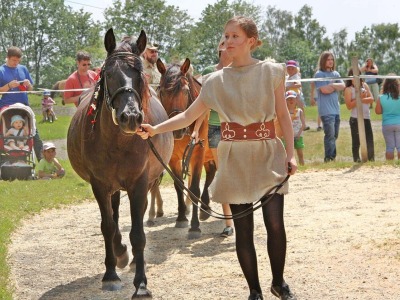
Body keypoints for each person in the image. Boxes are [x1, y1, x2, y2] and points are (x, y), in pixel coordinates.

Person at [138, 16, 297, 300]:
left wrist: (291, 154)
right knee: (243, 230)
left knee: (275, 224)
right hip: (233, 155)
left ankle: (278, 283)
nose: (228, 42)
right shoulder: (214, 82)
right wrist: (155, 129)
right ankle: (254, 291)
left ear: (251, 40)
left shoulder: (271, 72)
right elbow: (187, 116)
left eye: (235, 36)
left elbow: (283, 114)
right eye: (226, 37)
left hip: (267, 152)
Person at [200, 36, 234, 237]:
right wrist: (196, 130)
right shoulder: (209, 73)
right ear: (219, 49)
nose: (227, 48)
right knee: (223, 174)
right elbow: (203, 104)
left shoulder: (241, 71)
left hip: (237, 128)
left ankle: (241, 217)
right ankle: (229, 222)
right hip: (215, 127)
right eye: (223, 45)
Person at [0, 46, 43, 160]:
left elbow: (30, 89)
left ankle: (43, 161)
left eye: (18, 61)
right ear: (8, 58)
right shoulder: (1, 70)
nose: (16, 63)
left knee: (33, 133)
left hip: (24, 106)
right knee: (2, 133)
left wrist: (28, 84)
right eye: (14, 60)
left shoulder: (23, 69)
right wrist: (9, 86)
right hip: (6, 106)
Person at [314, 51, 345, 162]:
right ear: (323, 61)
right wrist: (333, 87)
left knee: (335, 135)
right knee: (330, 135)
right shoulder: (319, 74)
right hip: (326, 111)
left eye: (332, 59)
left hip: (336, 110)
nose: (331, 61)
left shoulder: (336, 74)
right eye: (328, 59)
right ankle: (329, 158)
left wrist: (331, 85)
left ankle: (332, 157)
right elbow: (324, 90)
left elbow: (343, 86)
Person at [344, 68, 375, 162]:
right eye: (354, 76)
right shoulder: (348, 89)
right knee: (356, 141)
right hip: (355, 118)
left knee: (369, 140)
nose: (356, 78)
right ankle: (356, 159)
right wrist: (360, 97)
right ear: (350, 78)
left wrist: (360, 99)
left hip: (366, 117)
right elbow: (349, 106)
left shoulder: (365, 85)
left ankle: (371, 159)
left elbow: (371, 99)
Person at [375, 75, 400, 160]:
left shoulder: (381, 97)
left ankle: (389, 167)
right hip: (399, 123)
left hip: (387, 124)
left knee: (389, 147)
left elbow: (378, 111)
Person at [285, 60, 309, 131]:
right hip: (288, 95)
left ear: (295, 69)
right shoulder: (287, 77)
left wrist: (290, 86)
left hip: (296, 95)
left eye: (292, 68)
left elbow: (299, 84)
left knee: (300, 109)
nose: (290, 70)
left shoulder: (296, 77)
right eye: (289, 69)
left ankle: (303, 124)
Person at [285, 91, 305, 166]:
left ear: (296, 100)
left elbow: (303, 124)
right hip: (287, 136)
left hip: (298, 135)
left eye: (292, 99)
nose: (291, 101)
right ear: (285, 100)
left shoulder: (299, 111)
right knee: (287, 153)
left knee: (300, 153)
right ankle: (288, 166)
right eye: (288, 99)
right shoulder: (285, 112)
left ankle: (302, 166)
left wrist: (299, 134)